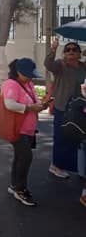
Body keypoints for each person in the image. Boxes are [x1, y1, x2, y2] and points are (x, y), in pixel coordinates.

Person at [2, 58, 48, 206]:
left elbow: (32, 101)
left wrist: (40, 105)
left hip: (28, 128)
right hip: (17, 128)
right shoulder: (11, 84)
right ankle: (20, 189)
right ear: (19, 72)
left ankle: (14, 185)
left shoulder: (27, 83)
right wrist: (30, 108)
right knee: (25, 157)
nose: (30, 77)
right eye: (28, 74)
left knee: (20, 157)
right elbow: (9, 104)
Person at [45, 38, 86, 178]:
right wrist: (53, 49)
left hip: (79, 107)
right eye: (68, 50)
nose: (71, 52)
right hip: (62, 106)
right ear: (64, 53)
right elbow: (48, 64)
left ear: (80, 53)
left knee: (76, 136)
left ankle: (76, 167)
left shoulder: (83, 66)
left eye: (75, 49)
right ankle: (55, 165)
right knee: (61, 136)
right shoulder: (60, 65)